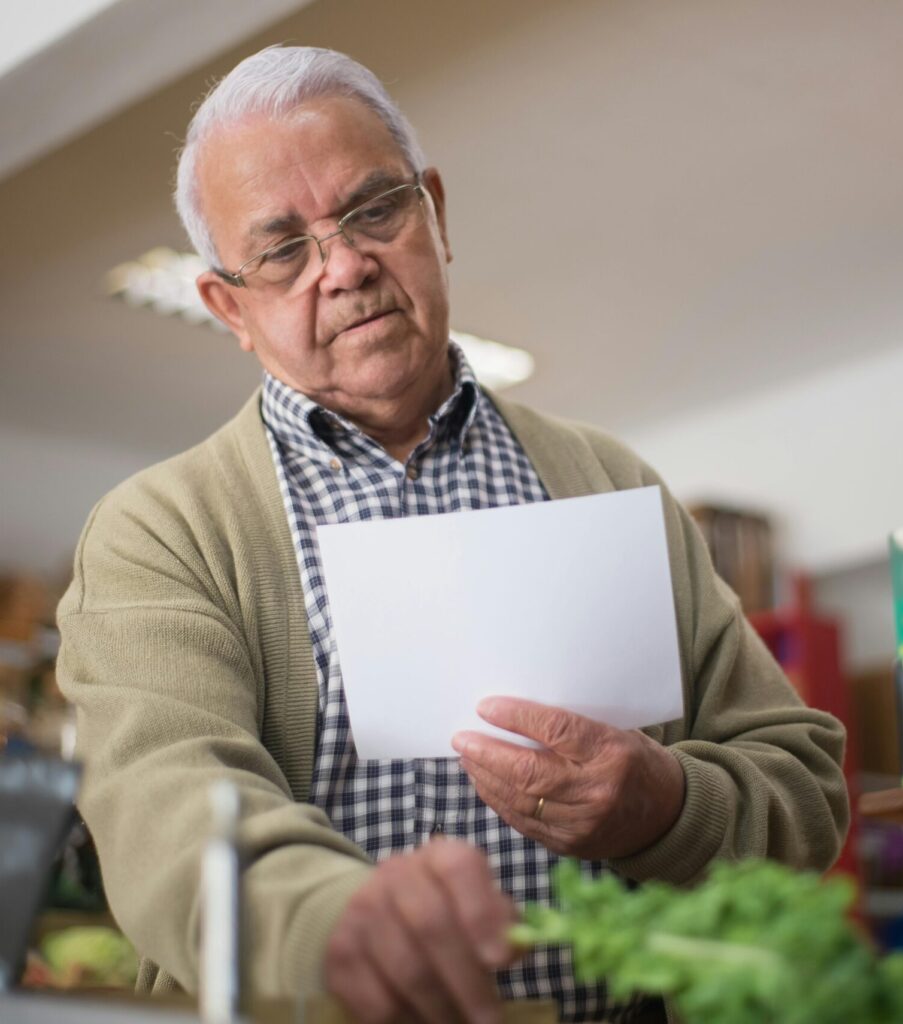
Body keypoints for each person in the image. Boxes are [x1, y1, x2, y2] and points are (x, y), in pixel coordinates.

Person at [56, 45, 849, 1024]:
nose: (343, 266)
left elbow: (803, 781)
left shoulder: (605, 480)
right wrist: (338, 926)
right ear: (229, 305)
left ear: (434, 211)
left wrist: (669, 806)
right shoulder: (160, 531)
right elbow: (165, 818)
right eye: (282, 249)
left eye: (373, 210)